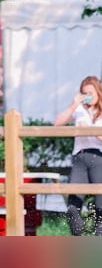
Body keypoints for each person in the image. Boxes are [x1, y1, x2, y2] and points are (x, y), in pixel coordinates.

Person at [54, 75, 102, 236]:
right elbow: (58, 123)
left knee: (101, 201)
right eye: (84, 93)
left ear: (98, 92)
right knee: (73, 203)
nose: (88, 96)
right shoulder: (79, 110)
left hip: (98, 158)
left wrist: (89, 129)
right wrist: (74, 104)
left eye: (90, 92)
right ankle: (77, 235)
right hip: (79, 158)